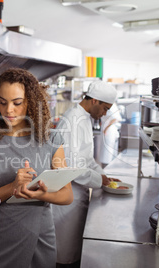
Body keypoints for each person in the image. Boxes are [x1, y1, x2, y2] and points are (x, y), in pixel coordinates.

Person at [0, 68, 74, 268]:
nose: (8, 110)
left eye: (17, 103)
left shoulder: (51, 140)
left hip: (40, 233)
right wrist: (12, 188)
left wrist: (38, 195)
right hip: (0, 236)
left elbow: (67, 195)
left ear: (31, 102)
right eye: (3, 102)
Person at [52, 80, 120, 268]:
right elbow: (72, 165)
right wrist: (100, 179)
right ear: (95, 101)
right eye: (105, 108)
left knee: (72, 251)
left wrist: (103, 175)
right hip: (68, 197)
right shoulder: (74, 119)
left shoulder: (84, 118)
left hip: (77, 193)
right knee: (64, 255)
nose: (105, 114)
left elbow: (86, 159)